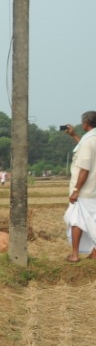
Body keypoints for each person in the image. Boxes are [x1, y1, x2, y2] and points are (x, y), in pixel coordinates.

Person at [64, 112, 96, 261]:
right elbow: (84, 148)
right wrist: (73, 135)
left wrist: (76, 190)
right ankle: (94, 253)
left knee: (76, 220)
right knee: (93, 222)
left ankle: (75, 254)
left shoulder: (89, 141)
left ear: (85, 124)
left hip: (85, 191)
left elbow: (85, 168)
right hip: (94, 190)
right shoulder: (89, 140)